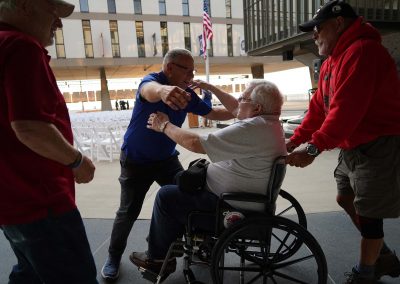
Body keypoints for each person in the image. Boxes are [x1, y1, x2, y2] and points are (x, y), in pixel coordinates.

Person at [285, 1, 400, 283]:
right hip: (352, 146)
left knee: (370, 213)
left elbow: (345, 111)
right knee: (344, 197)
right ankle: (382, 255)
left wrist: (313, 148)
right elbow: (317, 111)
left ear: (338, 24)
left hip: (378, 144)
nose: (314, 35)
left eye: (318, 28)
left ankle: (366, 273)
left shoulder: (363, 51)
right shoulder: (330, 62)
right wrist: (291, 142)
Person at [101, 48, 235, 280]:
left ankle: (192, 248)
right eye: (188, 71)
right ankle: (113, 257)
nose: (191, 77)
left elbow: (215, 112)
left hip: (166, 160)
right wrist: (163, 91)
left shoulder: (187, 94)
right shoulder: (153, 81)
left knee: (187, 199)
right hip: (136, 160)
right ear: (169, 68)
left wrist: (228, 102)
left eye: (194, 72)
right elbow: (148, 90)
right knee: (128, 212)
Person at [129, 80, 287, 277]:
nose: (238, 102)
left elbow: (196, 143)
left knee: (165, 196)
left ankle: (158, 258)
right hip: (238, 196)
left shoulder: (252, 129)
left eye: (243, 98)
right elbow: (236, 107)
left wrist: (164, 125)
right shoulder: (268, 124)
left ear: (257, 107)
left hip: (229, 205)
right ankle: (169, 238)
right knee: (180, 180)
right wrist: (210, 88)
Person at [0, 0, 98, 283]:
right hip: (40, 200)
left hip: (10, 200)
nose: (59, 22)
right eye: (52, 11)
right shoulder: (22, 47)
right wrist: (77, 161)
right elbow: (30, 127)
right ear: (24, 6)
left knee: (30, 273)